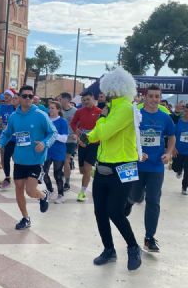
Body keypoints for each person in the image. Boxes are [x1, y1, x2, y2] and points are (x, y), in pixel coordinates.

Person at [81, 67, 142, 271]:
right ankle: (109, 249)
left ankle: (133, 248)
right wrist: (89, 136)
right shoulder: (110, 108)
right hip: (104, 166)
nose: (104, 93)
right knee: (100, 212)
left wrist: (99, 122)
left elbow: (104, 131)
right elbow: (97, 133)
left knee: (115, 212)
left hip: (123, 166)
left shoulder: (124, 107)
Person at [0, 85, 56, 230]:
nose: (28, 98)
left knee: (30, 191)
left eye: (30, 96)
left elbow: (53, 133)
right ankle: (25, 218)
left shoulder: (40, 115)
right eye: (25, 96)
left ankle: (43, 195)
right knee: (19, 189)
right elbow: (7, 133)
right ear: (19, 98)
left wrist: (44, 143)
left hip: (36, 160)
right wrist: (0, 144)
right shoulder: (14, 117)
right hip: (20, 160)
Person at [124, 84, 175, 253]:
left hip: (156, 167)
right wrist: (136, 152)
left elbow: (172, 137)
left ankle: (149, 238)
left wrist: (168, 153)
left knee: (153, 201)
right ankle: (129, 202)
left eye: (157, 97)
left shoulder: (165, 117)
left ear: (160, 99)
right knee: (136, 196)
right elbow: (128, 136)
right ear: (145, 97)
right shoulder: (136, 115)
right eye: (151, 96)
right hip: (137, 165)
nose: (154, 99)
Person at [72, 91, 102, 202]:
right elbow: (73, 123)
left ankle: (82, 193)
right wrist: (77, 132)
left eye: (88, 99)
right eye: (83, 100)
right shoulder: (79, 111)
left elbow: (102, 127)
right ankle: (91, 172)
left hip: (94, 143)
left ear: (93, 99)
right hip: (82, 142)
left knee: (86, 168)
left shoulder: (99, 112)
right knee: (82, 170)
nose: (85, 102)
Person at [43, 101, 68, 204]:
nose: (50, 110)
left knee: (57, 174)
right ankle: (50, 190)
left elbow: (64, 139)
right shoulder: (46, 121)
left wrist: (53, 135)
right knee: (43, 172)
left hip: (59, 151)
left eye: (53, 108)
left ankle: (61, 195)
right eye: (50, 108)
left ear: (58, 109)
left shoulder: (62, 122)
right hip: (47, 151)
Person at [0, 91, 17, 189]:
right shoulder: (2, 106)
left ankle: (19, 177)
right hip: (6, 136)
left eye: (8, 96)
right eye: (5, 95)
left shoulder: (16, 108)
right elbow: (1, 119)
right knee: (5, 157)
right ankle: (7, 178)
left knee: (17, 159)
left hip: (17, 137)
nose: (6, 97)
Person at [60, 92, 77, 191]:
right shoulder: (58, 110)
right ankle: (60, 177)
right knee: (60, 161)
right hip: (59, 139)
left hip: (71, 140)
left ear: (66, 100)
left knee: (66, 160)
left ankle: (67, 182)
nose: (59, 100)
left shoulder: (75, 111)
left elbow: (79, 125)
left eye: (61, 99)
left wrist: (76, 134)